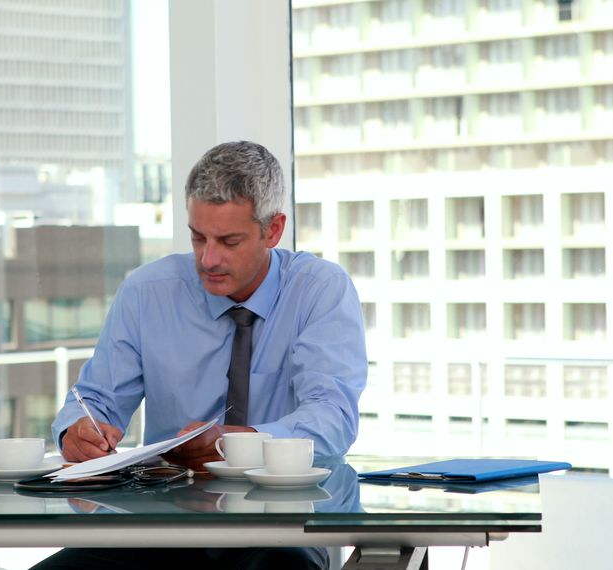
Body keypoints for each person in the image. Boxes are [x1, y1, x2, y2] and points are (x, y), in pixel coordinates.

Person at [36, 141, 366, 570]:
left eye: (229, 241)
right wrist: (77, 433)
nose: (208, 259)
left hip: (279, 529)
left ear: (274, 229)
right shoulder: (147, 291)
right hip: (161, 529)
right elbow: (95, 399)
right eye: (198, 237)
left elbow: (333, 422)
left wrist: (236, 444)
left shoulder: (320, 290)